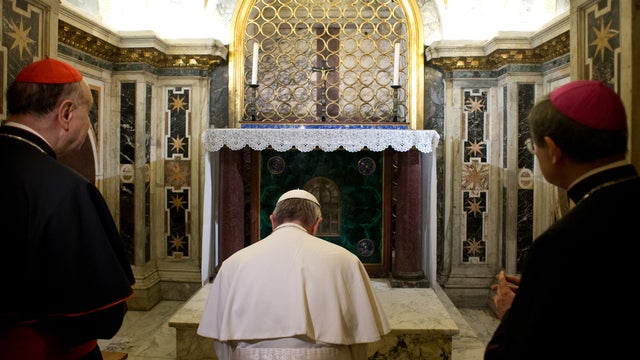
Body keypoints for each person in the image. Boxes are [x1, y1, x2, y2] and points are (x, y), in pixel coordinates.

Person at [484, 80, 639, 359]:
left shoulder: (558, 245)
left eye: (534, 147)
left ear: (553, 150)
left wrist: (513, 313)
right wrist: (538, 290)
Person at [0, 57, 135, 359]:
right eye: (89, 114)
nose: (88, 124)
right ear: (66, 113)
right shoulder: (66, 188)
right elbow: (102, 314)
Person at [198, 189, 390, 360]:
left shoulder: (234, 263)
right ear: (317, 224)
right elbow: (360, 341)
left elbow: (220, 341)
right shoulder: (347, 260)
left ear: (273, 220)